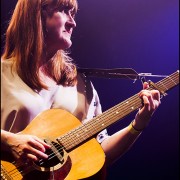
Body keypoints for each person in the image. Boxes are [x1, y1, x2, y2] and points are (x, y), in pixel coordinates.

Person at [1, 0, 161, 179]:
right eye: (64, 11)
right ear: (37, 12)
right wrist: (8, 141)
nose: (73, 22)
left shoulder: (82, 87)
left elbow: (99, 152)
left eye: (73, 14)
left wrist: (139, 124)